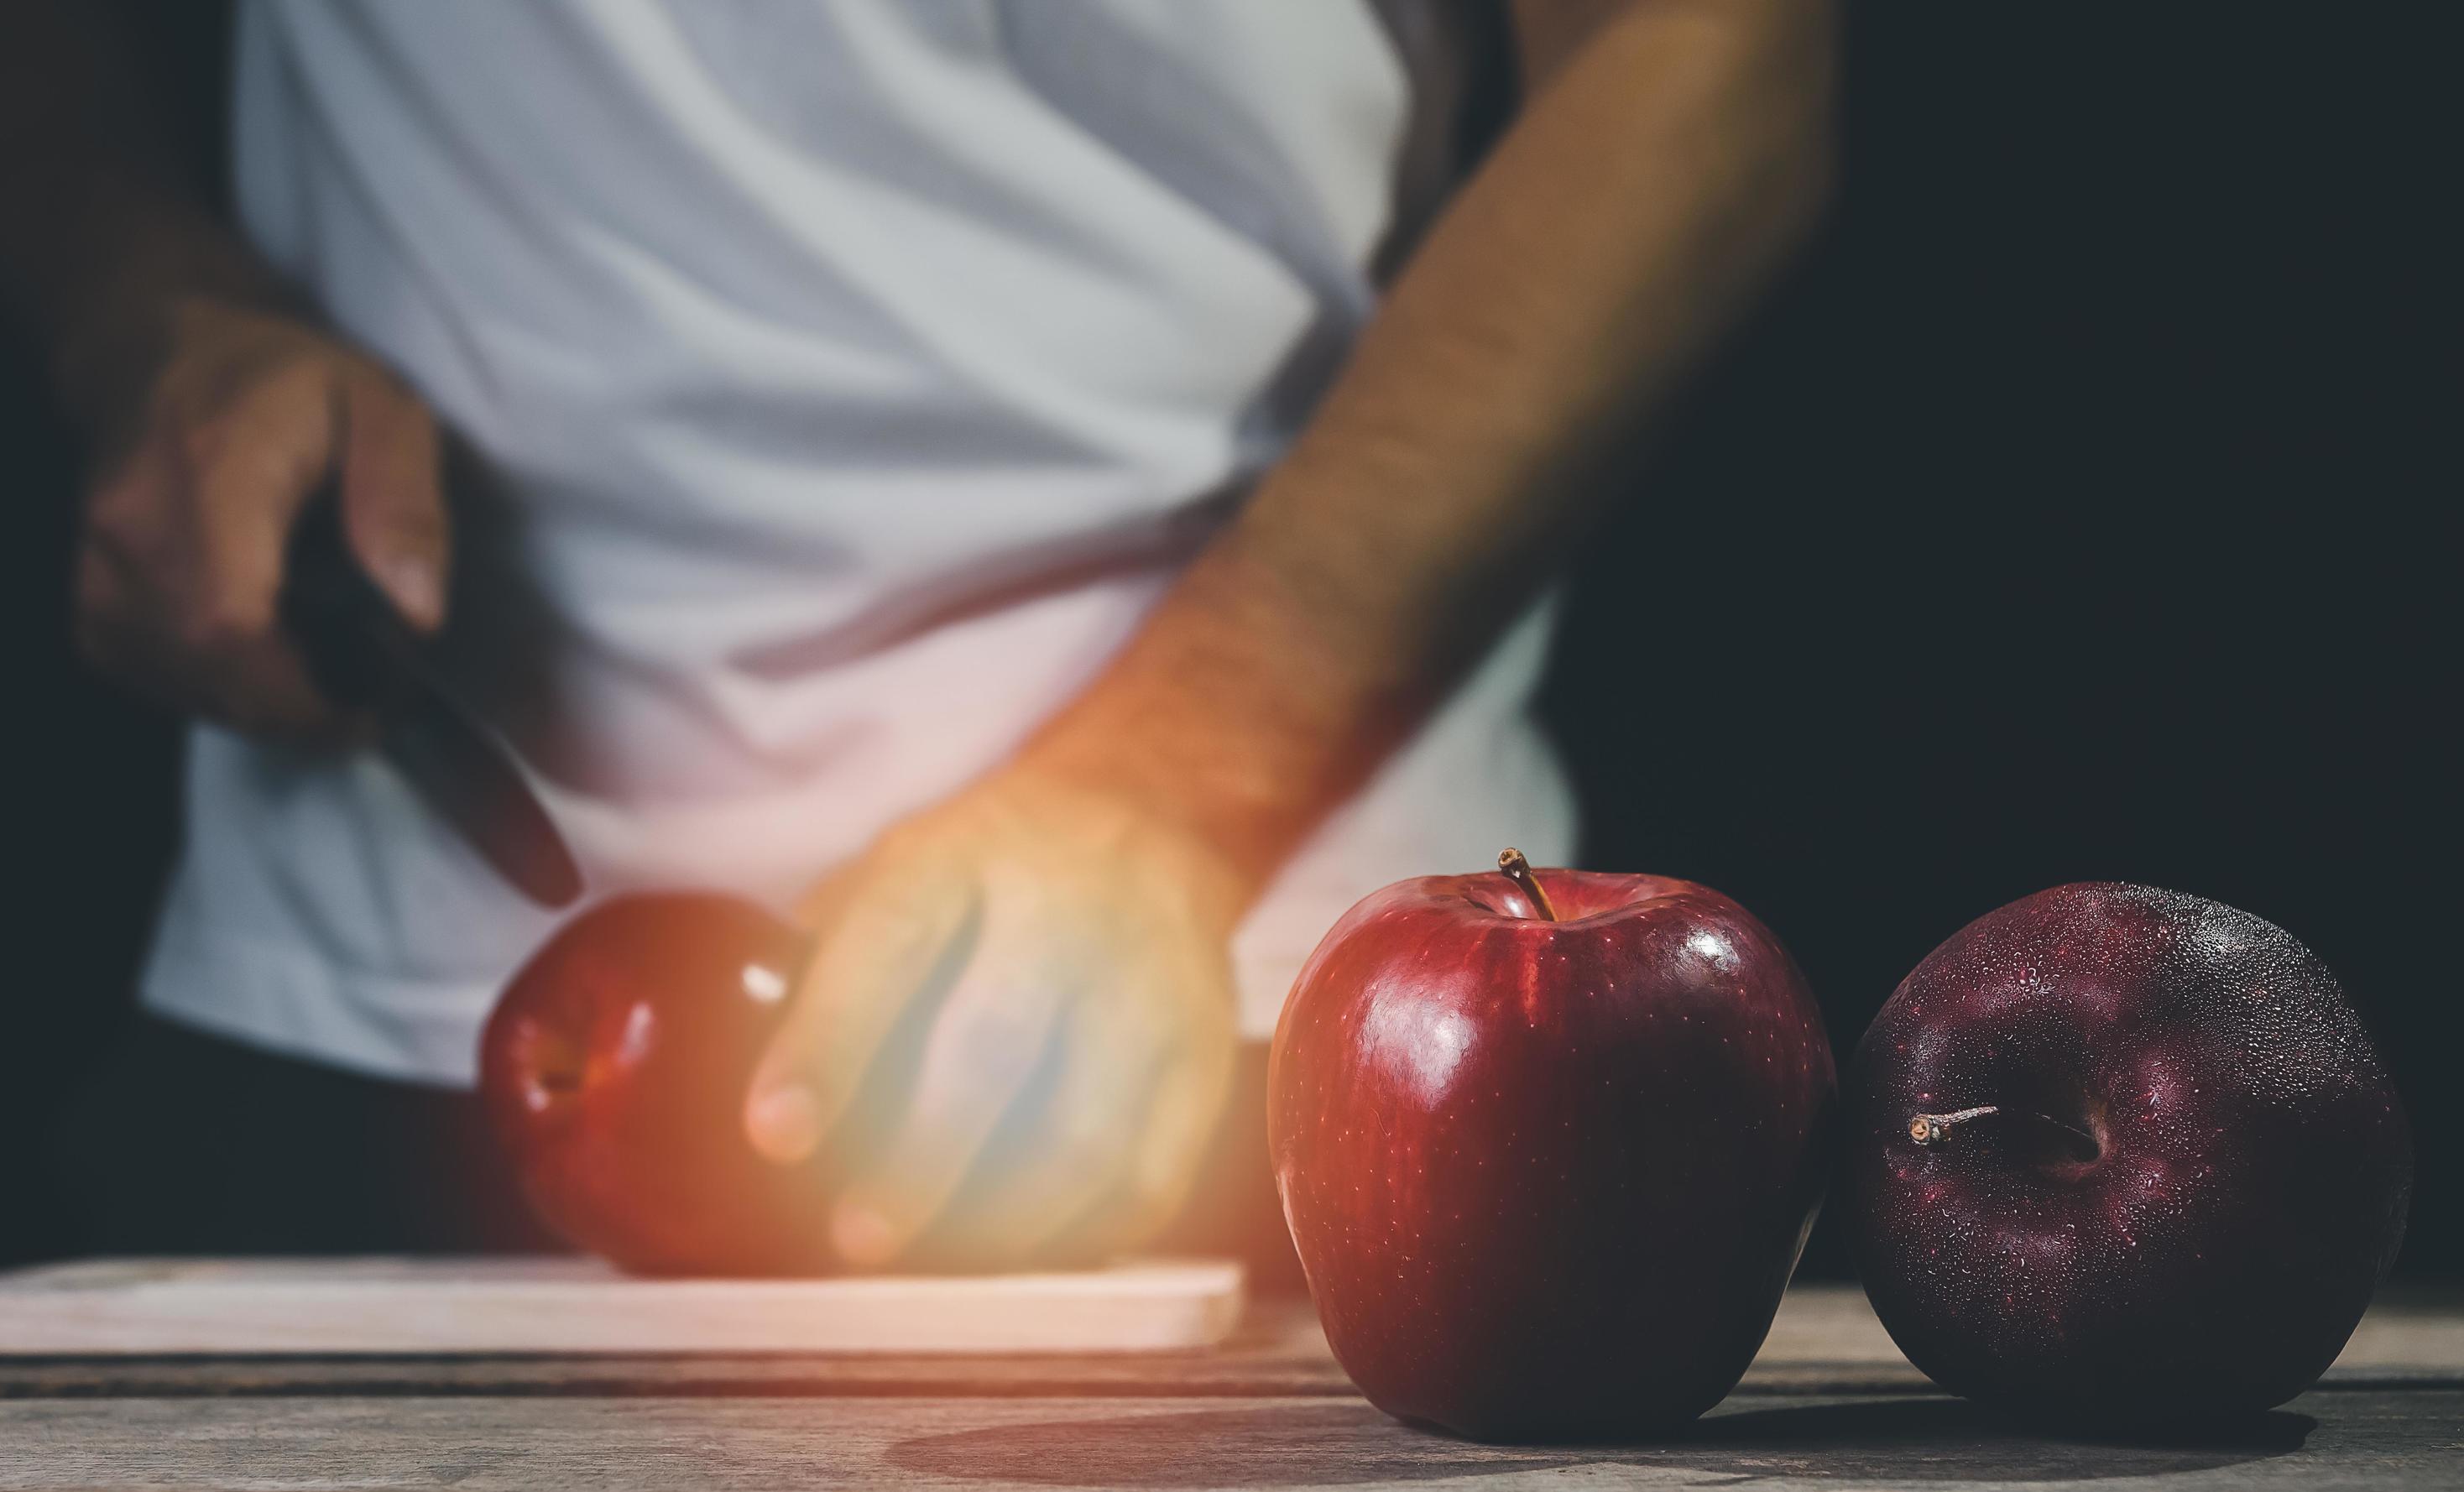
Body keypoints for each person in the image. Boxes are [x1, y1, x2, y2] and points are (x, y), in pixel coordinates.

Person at [1, 0, 1833, 1271]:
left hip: (1282, 1023)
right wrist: (134, 302)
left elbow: (1704, 46)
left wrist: (1178, 772)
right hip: (363, 963)